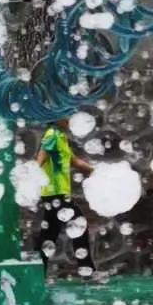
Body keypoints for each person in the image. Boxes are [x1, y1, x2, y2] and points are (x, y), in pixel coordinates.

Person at [35, 118, 94, 276]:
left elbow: (76, 162)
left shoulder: (60, 137)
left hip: (56, 194)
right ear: (57, 118)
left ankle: (35, 272)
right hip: (55, 193)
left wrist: (97, 171)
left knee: (48, 236)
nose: (70, 119)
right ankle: (87, 271)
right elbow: (39, 160)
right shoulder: (52, 135)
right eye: (66, 116)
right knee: (79, 225)